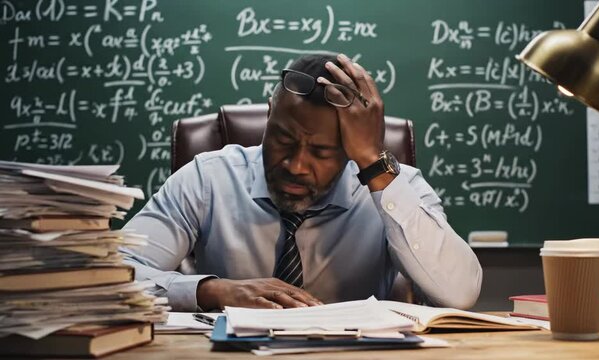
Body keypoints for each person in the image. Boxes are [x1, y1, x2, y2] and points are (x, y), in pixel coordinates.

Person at [120, 54, 482, 312]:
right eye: (283, 140)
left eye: (322, 152)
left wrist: (374, 163)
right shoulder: (207, 178)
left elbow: (460, 293)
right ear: (268, 117)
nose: (295, 165)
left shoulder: (396, 188)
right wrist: (212, 291)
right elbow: (109, 276)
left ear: (350, 148)